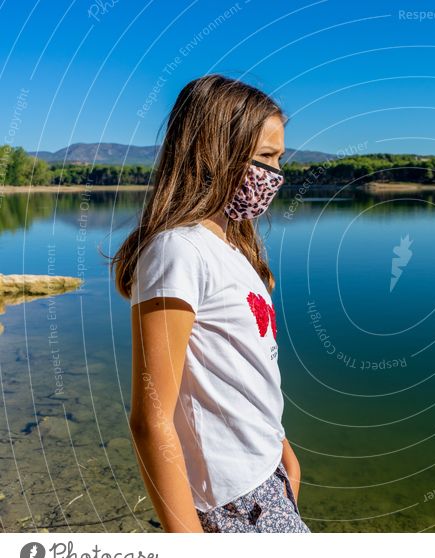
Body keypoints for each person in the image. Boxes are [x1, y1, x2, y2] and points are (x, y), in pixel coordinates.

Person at [111, 74, 310, 533]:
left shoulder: (232, 246)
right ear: (215, 151)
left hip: (269, 483)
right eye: (265, 158)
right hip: (234, 506)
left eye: (280, 159)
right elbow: (150, 419)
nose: (275, 175)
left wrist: (283, 456)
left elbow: (245, 367)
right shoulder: (178, 251)